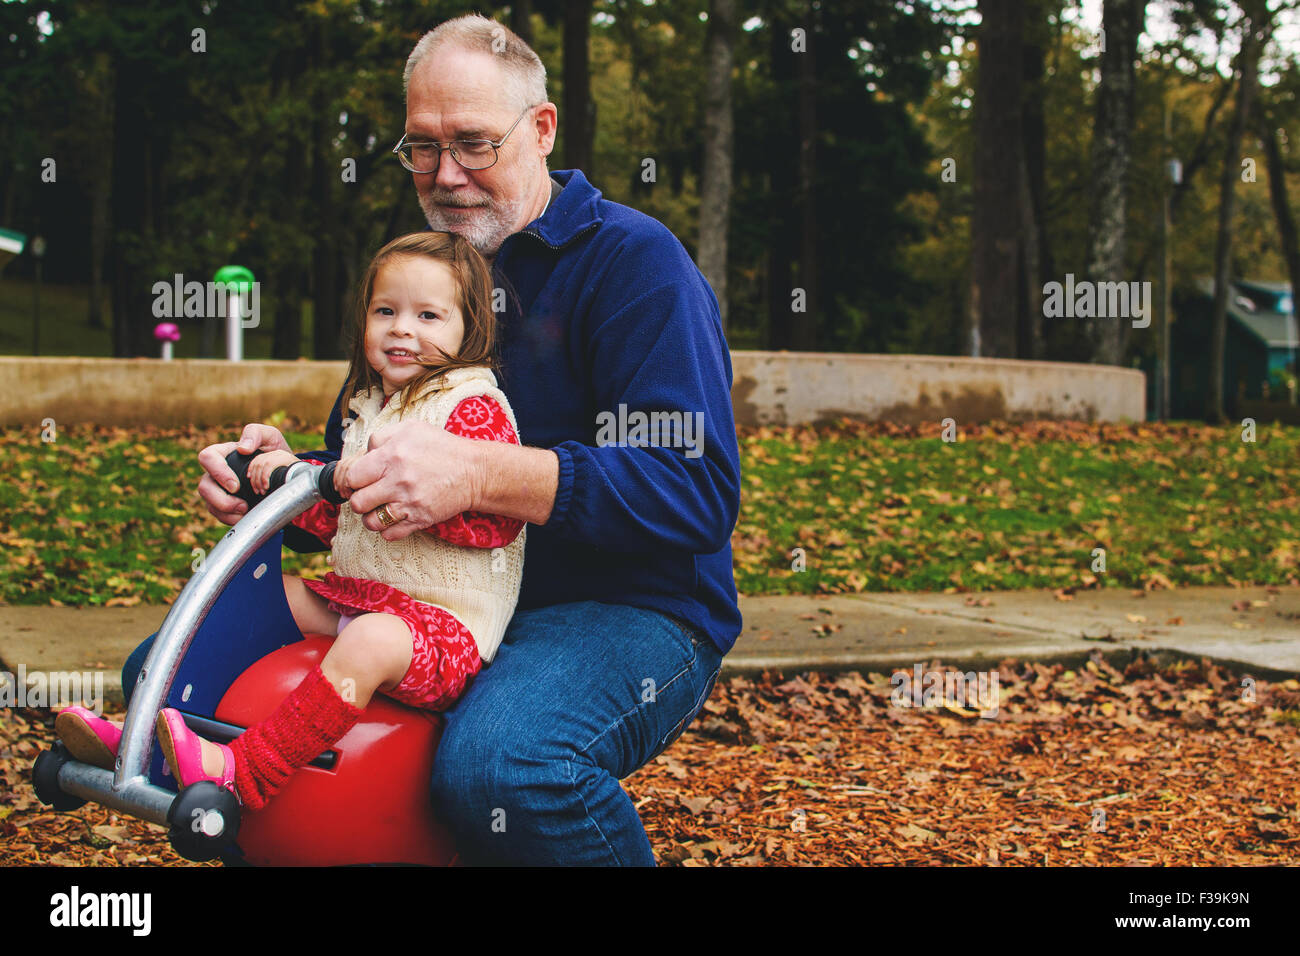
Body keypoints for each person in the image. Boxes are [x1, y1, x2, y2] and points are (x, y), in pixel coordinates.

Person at [123, 13, 742, 865]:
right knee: (165, 681)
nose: (445, 175)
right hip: (428, 593)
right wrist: (279, 476)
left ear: (543, 128)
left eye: (474, 144)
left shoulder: (636, 265)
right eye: (421, 147)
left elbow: (695, 492)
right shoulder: (422, 273)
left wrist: (482, 474)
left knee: (504, 765)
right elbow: (376, 467)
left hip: (626, 604)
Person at [61, 231, 526, 812]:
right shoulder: (369, 401)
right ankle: (142, 742)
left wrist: (418, 497)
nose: (402, 329)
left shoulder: (471, 406)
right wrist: (278, 483)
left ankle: (248, 770)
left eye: (429, 315)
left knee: (370, 640)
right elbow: (338, 520)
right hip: (356, 596)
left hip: (441, 631)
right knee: (242, 597)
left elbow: (497, 522)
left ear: (470, 328)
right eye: (386, 311)